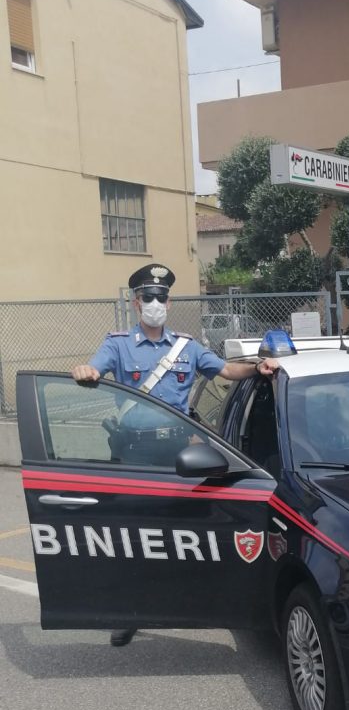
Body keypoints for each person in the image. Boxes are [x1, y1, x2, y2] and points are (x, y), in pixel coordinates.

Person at [72, 263, 280, 647]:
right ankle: (128, 614)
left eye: (162, 297)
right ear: (136, 303)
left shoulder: (187, 346)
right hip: (134, 452)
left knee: (185, 533)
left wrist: (258, 367)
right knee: (132, 538)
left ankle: (192, 604)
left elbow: (226, 370)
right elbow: (94, 370)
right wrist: (85, 370)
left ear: (168, 302)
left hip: (178, 452)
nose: (156, 303)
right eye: (148, 297)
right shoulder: (117, 344)